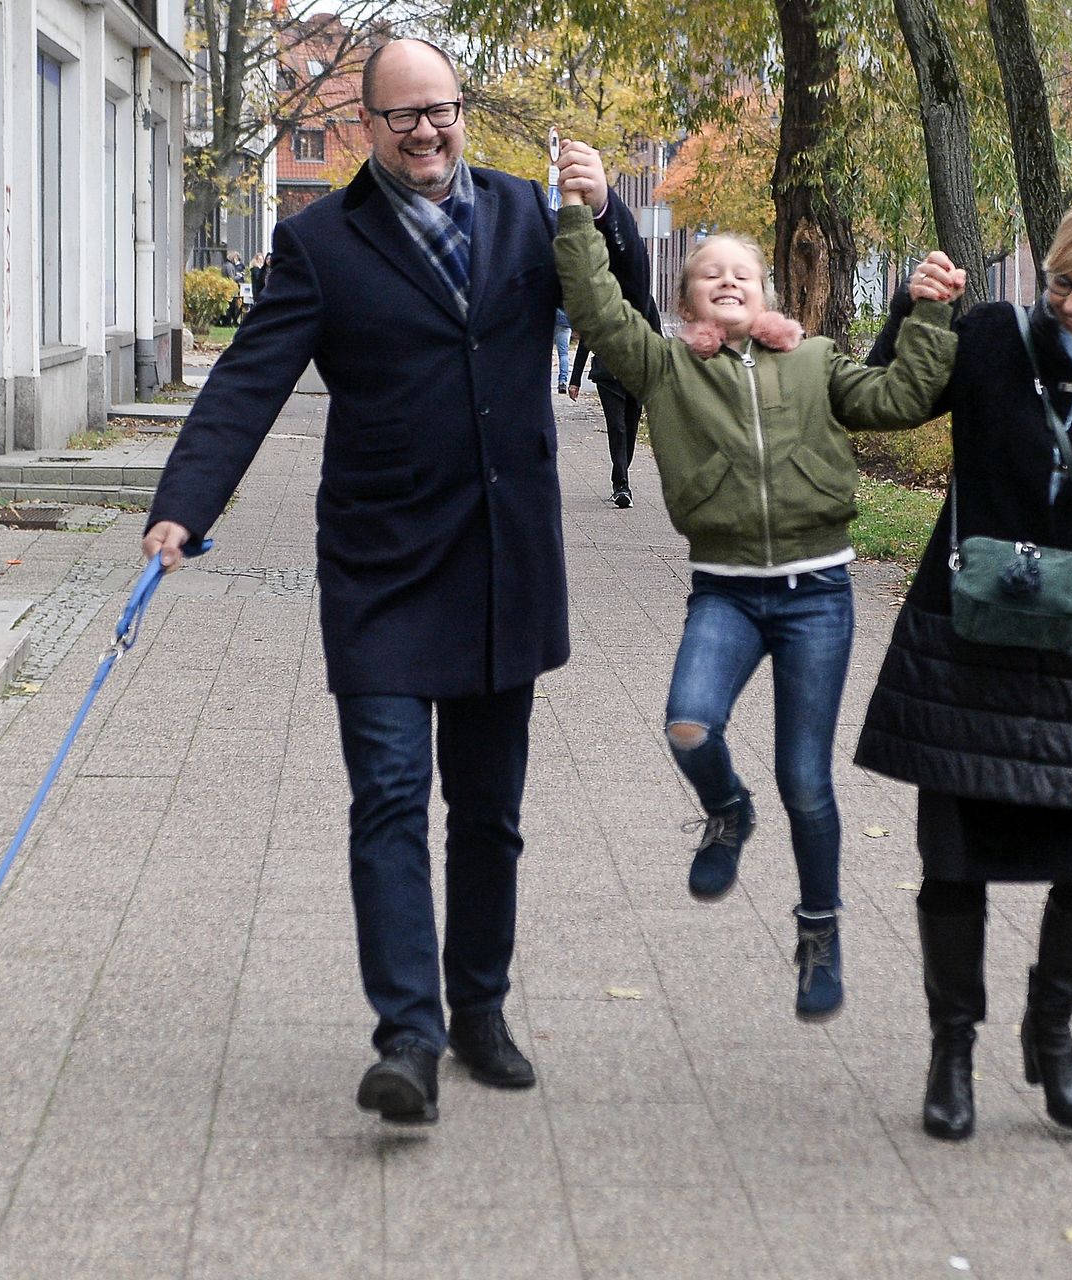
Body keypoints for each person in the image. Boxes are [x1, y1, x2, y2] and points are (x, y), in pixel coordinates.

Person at [139, 39, 652, 1126]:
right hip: (378, 565)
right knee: (385, 801)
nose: (428, 130)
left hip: (502, 562)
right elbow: (247, 381)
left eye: (443, 109)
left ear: (461, 113)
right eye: (404, 114)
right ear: (366, 125)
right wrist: (184, 502)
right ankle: (407, 1037)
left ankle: (479, 1008)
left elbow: (625, 316)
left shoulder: (527, 213)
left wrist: (605, 213)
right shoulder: (320, 242)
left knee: (489, 811)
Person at [555, 139, 964, 1020]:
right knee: (689, 724)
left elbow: (898, 400)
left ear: (769, 295)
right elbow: (593, 307)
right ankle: (726, 813)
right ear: (685, 300)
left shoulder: (814, 366)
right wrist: (583, 213)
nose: (728, 280)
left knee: (807, 781)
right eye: (709, 274)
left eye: (743, 270)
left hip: (818, 594)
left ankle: (819, 931)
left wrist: (927, 312)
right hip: (727, 591)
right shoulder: (666, 369)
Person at [855, 193, 1072, 1139]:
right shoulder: (990, 341)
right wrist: (911, 306)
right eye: (1056, 281)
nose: (1066, 304)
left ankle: (1050, 1032)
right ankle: (952, 1047)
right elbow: (883, 396)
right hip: (977, 644)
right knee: (955, 863)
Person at [569, 285, 659, 507]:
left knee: (630, 427)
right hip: (608, 374)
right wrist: (575, 379)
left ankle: (621, 470)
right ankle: (621, 486)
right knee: (617, 427)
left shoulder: (645, 300)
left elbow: (657, 337)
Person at [553, 308, 572, 393]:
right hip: (565, 321)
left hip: (550, 319)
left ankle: (542, 380)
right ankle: (563, 382)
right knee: (563, 354)